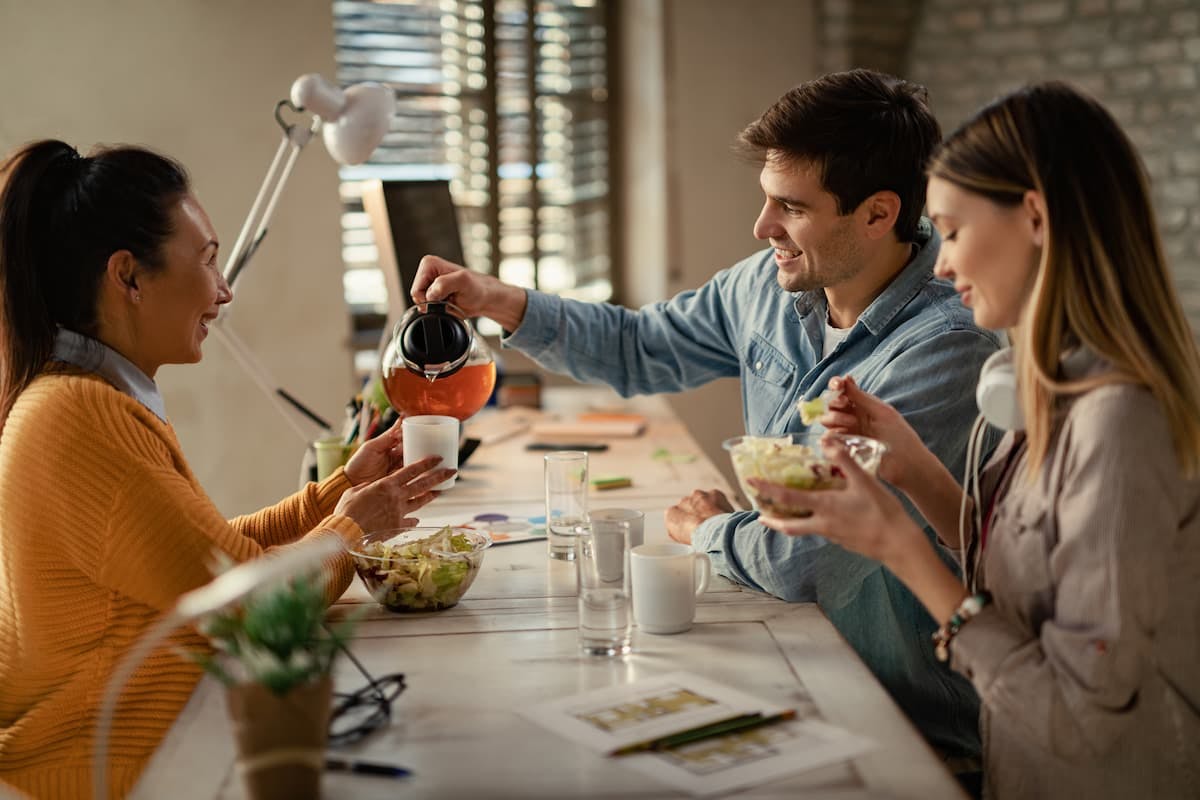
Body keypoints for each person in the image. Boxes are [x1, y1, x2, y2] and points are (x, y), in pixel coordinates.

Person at [410, 69, 1001, 761]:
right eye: (766, 200)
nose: (763, 228)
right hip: (791, 658)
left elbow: (802, 558)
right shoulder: (769, 282)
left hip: (904, 723)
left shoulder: (946, 351)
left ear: (877, 214)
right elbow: (639, 347)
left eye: (792, 207)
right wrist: (496, 299)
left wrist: (709, 529)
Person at [751, 82, 1200, 798]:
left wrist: (899, 547)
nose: (941, 264)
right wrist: (917, 472)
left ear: (1035, 219)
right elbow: (1036, 584)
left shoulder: (1120, 424)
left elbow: (1078, 718)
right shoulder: (1055, 387)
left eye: (953, 231)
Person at [0, 140, 456, 798]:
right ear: (128, 276)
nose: (223, 289)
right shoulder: (81, 416)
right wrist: (350, 531)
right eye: (209, 261)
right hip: (100, 775)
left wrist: (338, 492)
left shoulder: (76, 397)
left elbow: (209, 558)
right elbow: (244, 607)